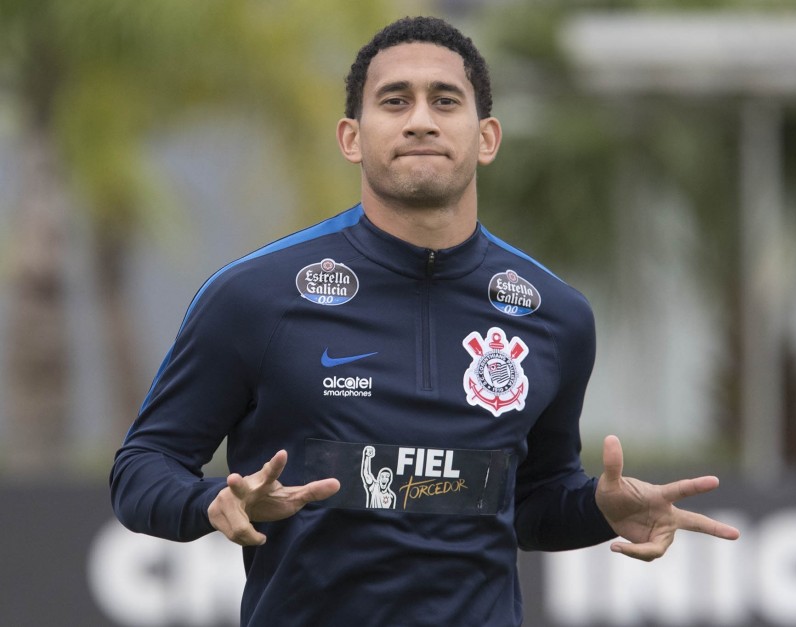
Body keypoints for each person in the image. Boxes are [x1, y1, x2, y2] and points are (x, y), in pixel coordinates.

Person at [110, 15, 740, 627]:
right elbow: (143, 465)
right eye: (394, 100)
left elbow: (530, 502)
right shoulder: (253, 296)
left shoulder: (556, 315)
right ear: (351, 137)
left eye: (444, 100)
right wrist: (209, 501)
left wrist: (597, 509)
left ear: (486, 137)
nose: (419, 120)